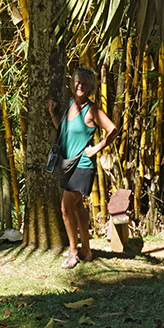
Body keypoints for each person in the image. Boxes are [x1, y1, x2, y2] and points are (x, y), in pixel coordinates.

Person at [58, 66, 119, 267]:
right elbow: (64, 132)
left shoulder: (91, 109)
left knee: (65, 208)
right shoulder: (70, 105)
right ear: (72, 83)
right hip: (68, 165)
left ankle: (73, 252)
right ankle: (86, 249)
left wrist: (98, 147)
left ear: (91, 87)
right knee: (76, 207)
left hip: (83, 166)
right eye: (77, 81)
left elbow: (112, 129)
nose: (80, 85)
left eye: (84, 83)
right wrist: (52, 114)